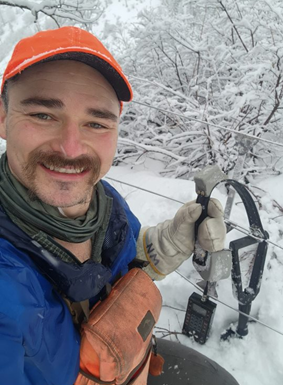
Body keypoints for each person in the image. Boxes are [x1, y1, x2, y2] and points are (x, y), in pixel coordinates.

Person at [0, 27, 227, 385]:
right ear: (2, 117)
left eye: (96, 122)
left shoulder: (102, 202)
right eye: (43, 114)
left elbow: (121, 261)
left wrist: (167, 244)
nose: (71, 148)